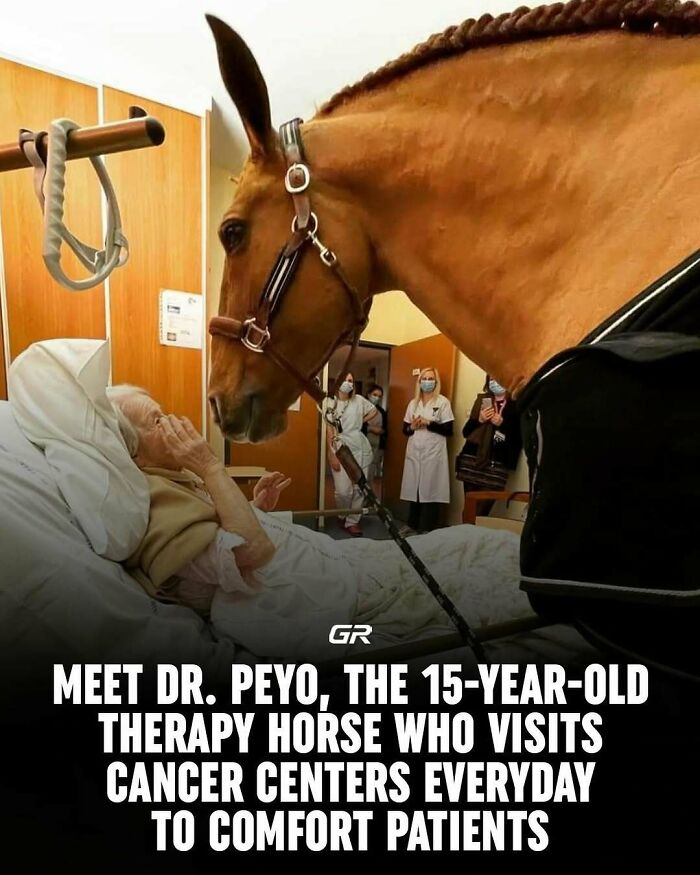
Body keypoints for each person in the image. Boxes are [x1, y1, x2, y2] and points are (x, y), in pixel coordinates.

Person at [456, 374, 522, 518]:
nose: (494, 382)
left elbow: (519, 438)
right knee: (469, 509)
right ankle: (464, 538)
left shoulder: (515, 405)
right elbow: (466, 432)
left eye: (498, 378)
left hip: (497, 464)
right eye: (491, 379)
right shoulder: (482, 400)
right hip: (471, 460)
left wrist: (502, 425)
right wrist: (479, 420)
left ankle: (474, 538)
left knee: (481, 513)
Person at [400, 367, 454, 533]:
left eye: (431, 379)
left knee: (431, 490)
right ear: (419, 382)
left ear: (436, 382)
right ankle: (412, 524)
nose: (427, 382)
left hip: (433, 453)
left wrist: (429, 423)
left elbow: (449, 430)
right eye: (424, 379)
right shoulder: (413, 403)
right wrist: (413, 426)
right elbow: (405, 430)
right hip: (415, 451)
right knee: (414, 489)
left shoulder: (442, 402)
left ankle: (427, 528)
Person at [326, 372, 378, 536]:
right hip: (340, 447)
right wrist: (331, 453)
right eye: (344, 380)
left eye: (350, 380)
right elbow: (329, 429)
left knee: (359, 489)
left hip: (360, 447)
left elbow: (374, 411)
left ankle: (352, 522)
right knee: (343, 491)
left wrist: (361, 420)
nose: (348, 383)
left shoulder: (359, 400)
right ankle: (342, 514)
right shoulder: (329, 402)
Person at [362, 383, 388, 485]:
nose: (377, 398)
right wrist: (370, 428)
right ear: (368, 394)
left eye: (379, 396)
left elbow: (385, 430)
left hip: (375, 448)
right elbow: (355, 426)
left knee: (369, 477)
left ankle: (368, 499)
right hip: (361, 446)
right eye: (375, 395)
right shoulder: (360, 408)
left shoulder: (382, 412)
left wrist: (381, 431)